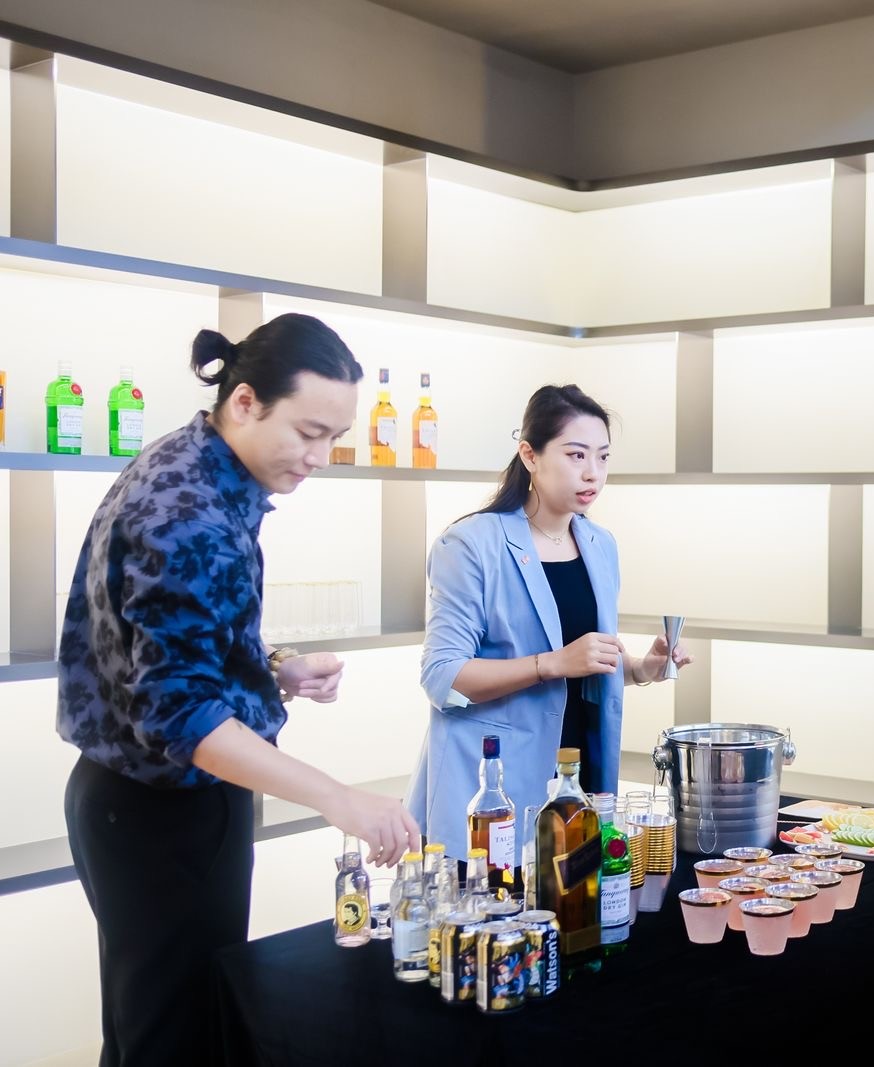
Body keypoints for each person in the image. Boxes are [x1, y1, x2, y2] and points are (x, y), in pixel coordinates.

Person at [58, 314, 420, 1067]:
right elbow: (182, 715)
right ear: (247, 401)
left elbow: (160, 645)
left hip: (135, 802)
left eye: (335, 437)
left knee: (150, 1027)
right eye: (310, 431)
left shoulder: (197, 466)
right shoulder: (187, 509)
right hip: (162, 813)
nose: (321, 457)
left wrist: (270, 668)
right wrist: (338, 797)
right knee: (176, 1040)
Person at [407, 384, 690, 864]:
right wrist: (551, 664)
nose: (592, 473)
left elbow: (584, 654)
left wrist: (640, 667)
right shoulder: (470, 544)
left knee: (577, 928)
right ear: (529, 455)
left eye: (602, 458)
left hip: (579, 780)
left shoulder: (600, 544)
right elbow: (442, 678)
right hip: (493, 793)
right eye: (576, 455)